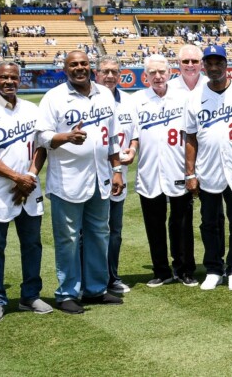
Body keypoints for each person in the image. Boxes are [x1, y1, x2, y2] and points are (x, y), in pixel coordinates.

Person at [37, 50, 124, 314]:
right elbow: (41, 137)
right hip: (67, 179)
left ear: (91, 67)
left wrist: (117, 169)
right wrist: (66, 137)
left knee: (99, 234)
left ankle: (96, 289)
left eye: (84, 63)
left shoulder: (104, 93)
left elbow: (113, 137)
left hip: (101, 176)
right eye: (73, 64)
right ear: (65, 69)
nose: (79, 68)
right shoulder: (54, 97)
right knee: (69, 239)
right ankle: (66, 293)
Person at [0, 61, 52, 321]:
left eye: (13, 77)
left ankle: (30, 295)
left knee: (32, 245)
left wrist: (29, 176)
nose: (9, 82)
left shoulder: (31, 109)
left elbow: (42, 146)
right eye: (3, 77)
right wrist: (18, 178)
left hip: (28, 188)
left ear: (19, 80)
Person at [184, 45, 232, 291]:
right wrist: (189, 173)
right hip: (207, 170)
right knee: (209, 222)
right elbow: (190, 138)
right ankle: (213, 268)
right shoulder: (194, 96)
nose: (214, 68)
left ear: (226, 65)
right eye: (209, 63)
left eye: (218, 63)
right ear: (204, 66)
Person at [129, 54, 197, 288]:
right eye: (152, 73)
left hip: (178, 168)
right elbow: (134, 134)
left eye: (161, 72)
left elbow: (192, 133)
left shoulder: (184, 97)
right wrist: (130, 151)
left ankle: (185, 268)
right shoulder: (136, 100)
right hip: (149, 170)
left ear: (169, 73)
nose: (157, 77)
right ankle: (161, 270)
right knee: (154, 224)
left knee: (182, 223)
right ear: (145, 75)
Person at [95, 55, 136, 294]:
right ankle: (90, 278)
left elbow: (135, 135)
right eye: (105, 71)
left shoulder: (129, 101)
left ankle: (112, 277)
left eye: (114, 71)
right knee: (90, 231)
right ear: (96, 74)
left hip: (119, 176)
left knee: (115, 231)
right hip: (93, 175)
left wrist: (132, 149)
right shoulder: (89, 100)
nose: (110, 76)